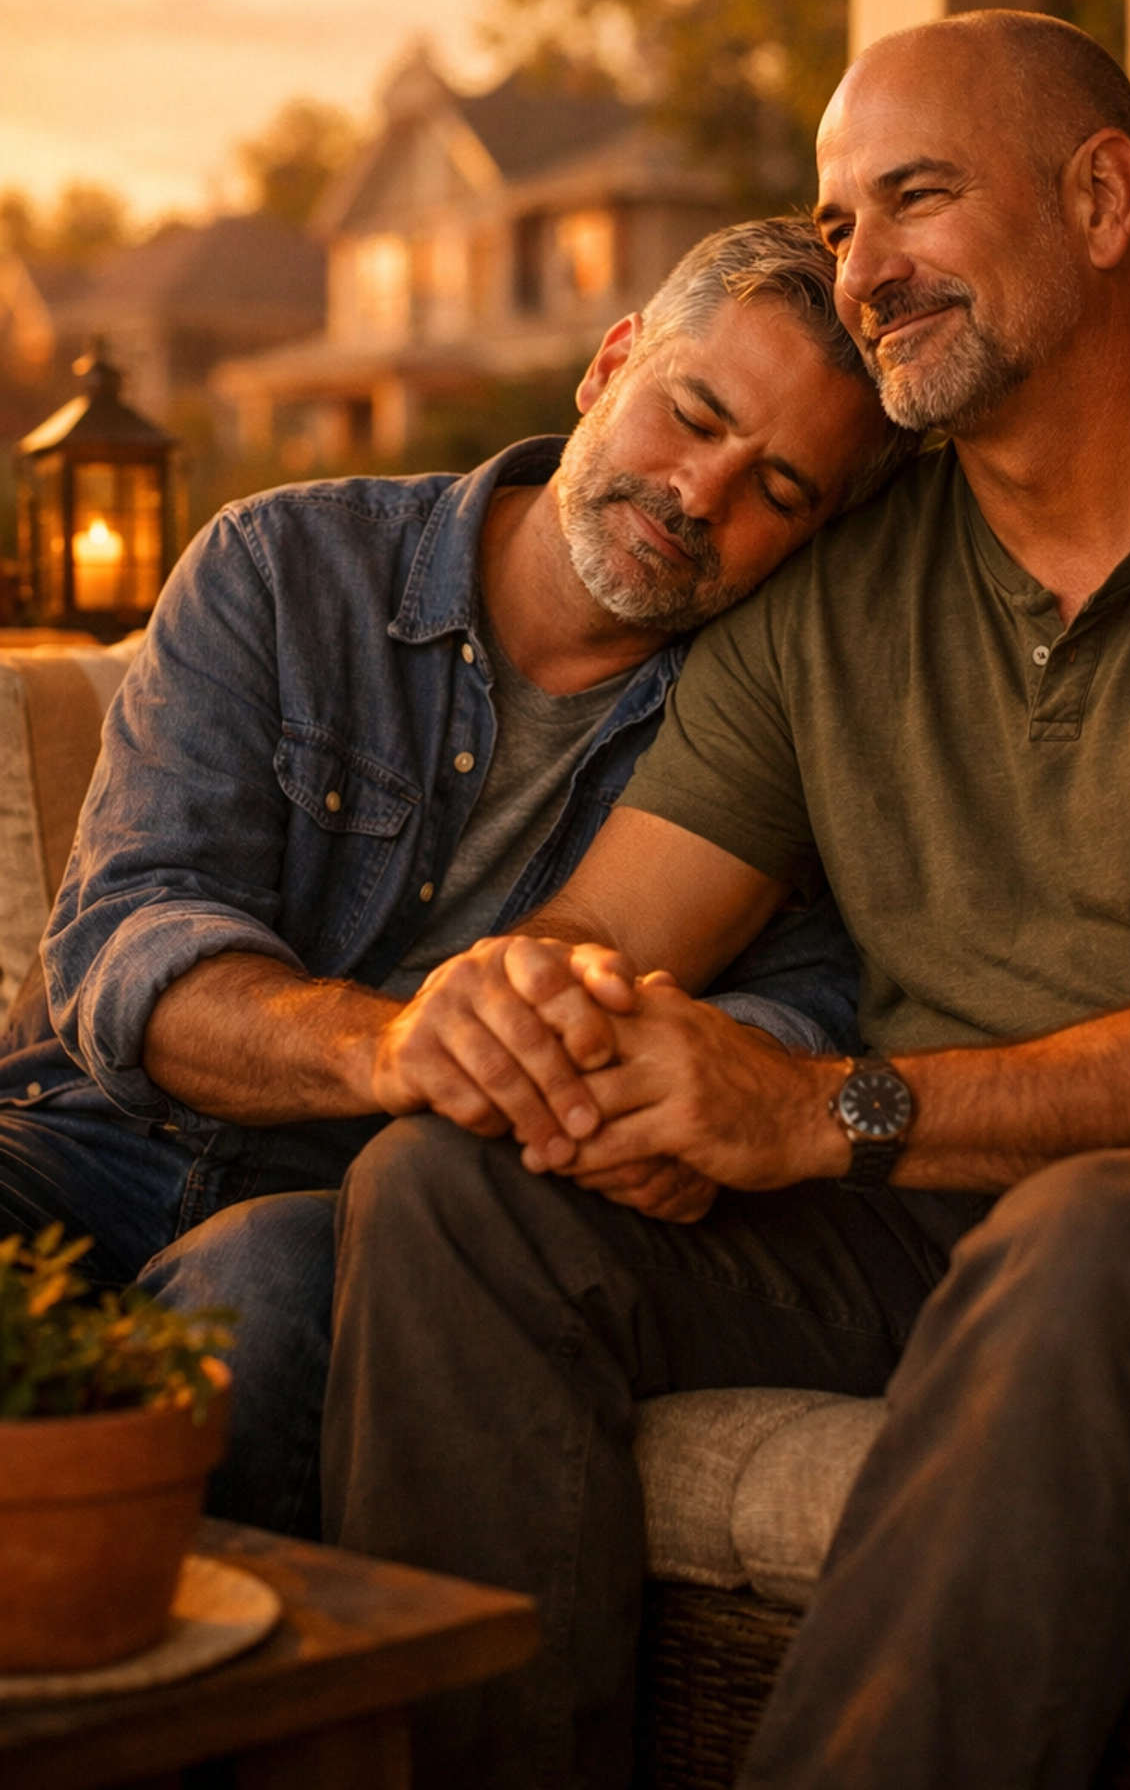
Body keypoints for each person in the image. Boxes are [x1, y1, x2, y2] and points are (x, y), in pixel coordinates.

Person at [316, 10, 1130, 1790]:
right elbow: (608, 931)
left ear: (1102, 201)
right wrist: (533, 1014)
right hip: (906, 1216)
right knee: (447, 1194)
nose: (862, 272)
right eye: (837, 223)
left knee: (1084, 1235)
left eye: (918, 199)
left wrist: (819, 1112)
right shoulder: (832, 592)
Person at [0, 216, 910, 1532]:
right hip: (93, 1137)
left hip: (368, 1213)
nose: (700, 493)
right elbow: (129, 935)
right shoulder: (284, 566)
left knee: (265, 1293)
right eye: (692, 415)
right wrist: (390, 1046)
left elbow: (807, 1000)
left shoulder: (764, 724)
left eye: (777, 489)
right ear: (610, 364)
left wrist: (686, 1109)